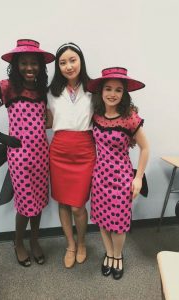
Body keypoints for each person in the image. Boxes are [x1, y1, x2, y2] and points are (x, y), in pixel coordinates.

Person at [0, 39, 55, 267]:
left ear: (41, 66)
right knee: (25, 204)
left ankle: (35, 241)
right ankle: (18, 242)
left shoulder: (40, 89)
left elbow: (45, 121)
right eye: (24, 63)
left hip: (41, 155)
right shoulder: (6, 86)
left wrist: (49, 119)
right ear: (16, 64)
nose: (29, 67)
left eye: (34, 63)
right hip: (19, 157)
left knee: (39, 201)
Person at [87, 67, 149, 279]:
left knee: (119, 224)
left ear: (124, 93)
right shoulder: (95, 116)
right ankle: (109, 253)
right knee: (103, 220)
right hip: (99, 177)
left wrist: (138, 177)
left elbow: (145, 148)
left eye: (118, 90)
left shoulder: (130, 118)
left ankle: (118, 255)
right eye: (108, 88)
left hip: (122, 179)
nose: (112, 93)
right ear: (101, 91)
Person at [47, 42, 96, 268]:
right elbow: (45, 120)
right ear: (58, 67)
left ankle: (82, 242)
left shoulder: (94, 89)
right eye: (63, 62)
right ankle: (70, 244)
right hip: (59, 151)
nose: (68, 66)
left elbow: (110, 111)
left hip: (85, 150)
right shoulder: (50, 92)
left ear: (81, 61)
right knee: (64, 203)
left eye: (72, 60)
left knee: (78, 205)